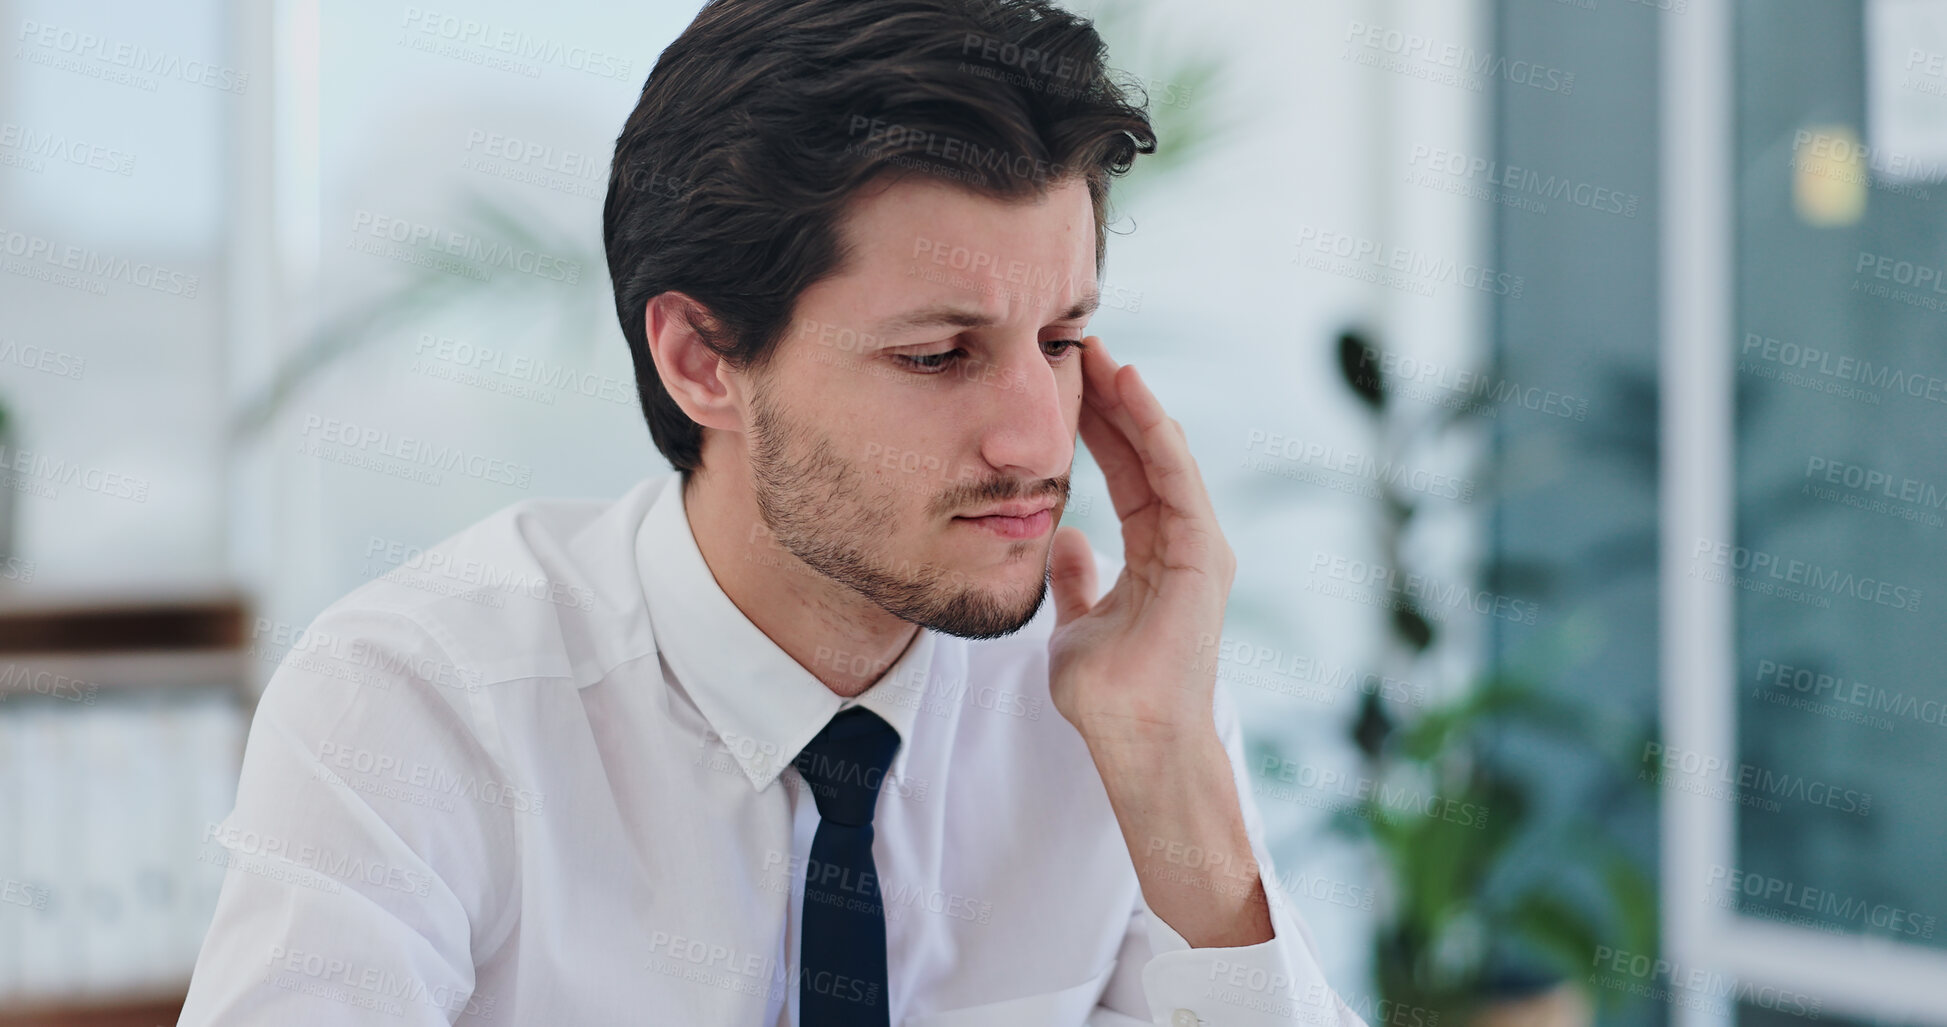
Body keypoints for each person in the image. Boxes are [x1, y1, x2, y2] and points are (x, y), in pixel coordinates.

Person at [181, 0, 1366, 1023]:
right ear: (703, 359)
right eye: (938, 355)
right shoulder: (421, 707)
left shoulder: (1115, 702)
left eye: (1060, 340)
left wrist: (1173, 777)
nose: (1037, 437)